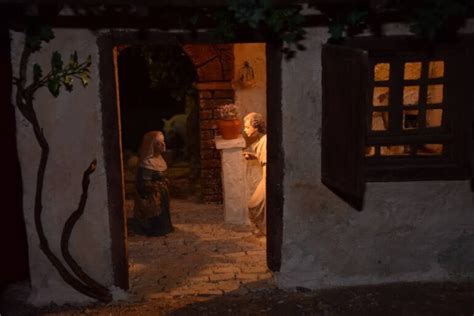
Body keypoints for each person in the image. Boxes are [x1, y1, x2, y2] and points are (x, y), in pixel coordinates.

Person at [130, 131, 173, 236]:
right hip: (152, 197)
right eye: (159, 143)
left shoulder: (160, 160)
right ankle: (154, 228)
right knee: (156, 214)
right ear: (151, 146)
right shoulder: (147, 164)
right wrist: (157, 186)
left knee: (164, 213)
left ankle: (165, 226)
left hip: (162, 194)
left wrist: (165, 182)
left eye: (163, 142)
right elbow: (144, 184)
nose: (163, 145)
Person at [243, 112, 267, 236]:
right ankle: (262, 229)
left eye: (247, 127)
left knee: (254, 205)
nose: (245, 129)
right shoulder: (261, 140)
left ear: (256, 128)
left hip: (267, 179)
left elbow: (267, 164)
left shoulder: (265, 141)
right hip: (266, 178)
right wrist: (253, 156)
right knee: (256, 206)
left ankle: (265, 230)